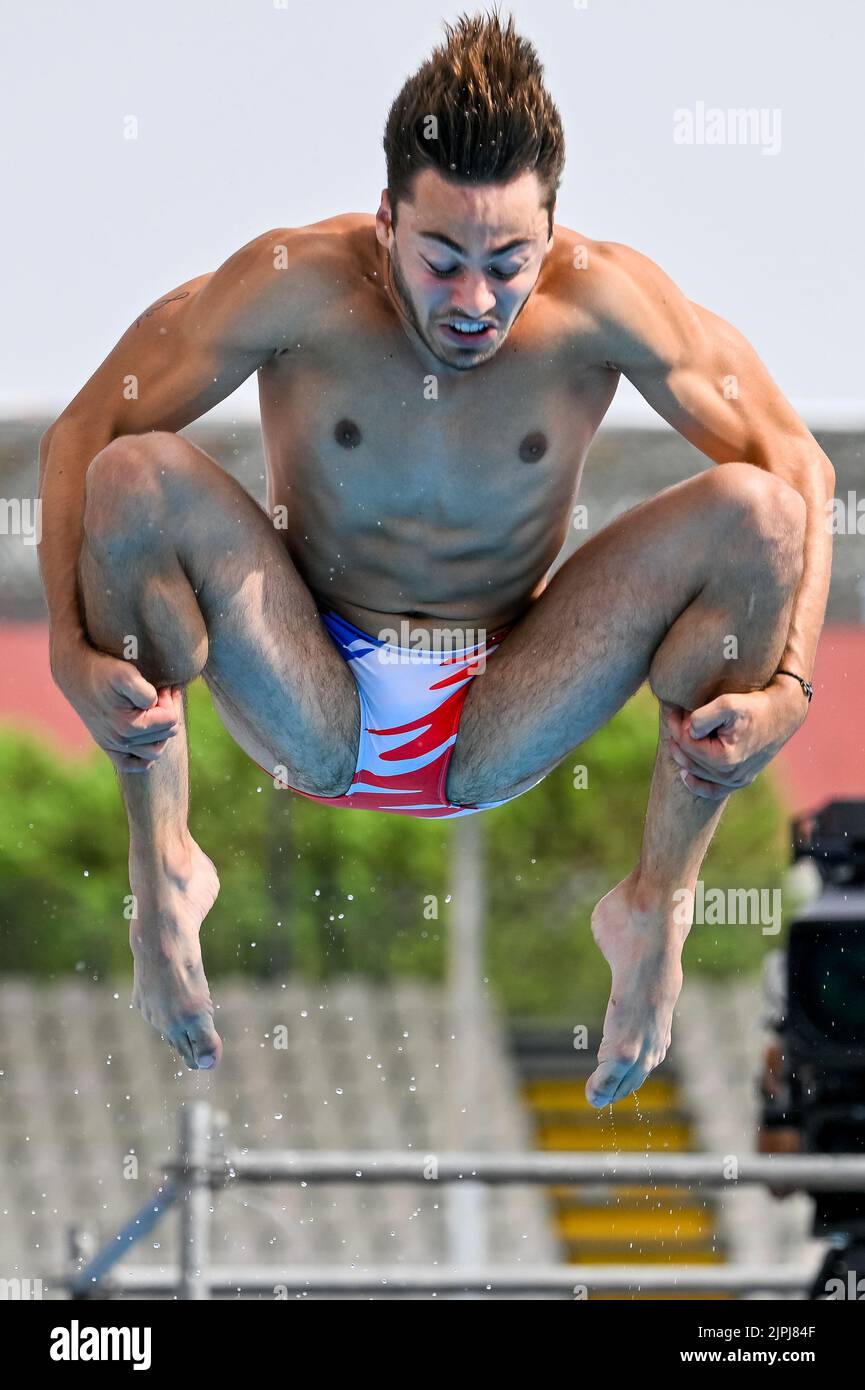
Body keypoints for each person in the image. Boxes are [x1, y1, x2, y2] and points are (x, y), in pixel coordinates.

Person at [37, 12, 833, 1102]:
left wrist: (789, 686)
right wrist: (70, 654)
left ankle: (659, 897)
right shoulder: (292, 283)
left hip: (510, 702)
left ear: (551, 234)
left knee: (761, 514)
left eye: (507, 262)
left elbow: (802, 468)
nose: (473, 301)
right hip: (309, 687)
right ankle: (164, 860)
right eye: (442, 259)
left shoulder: (607, 301)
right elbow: (81, 433)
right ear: (383, 225)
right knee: (134, 474)